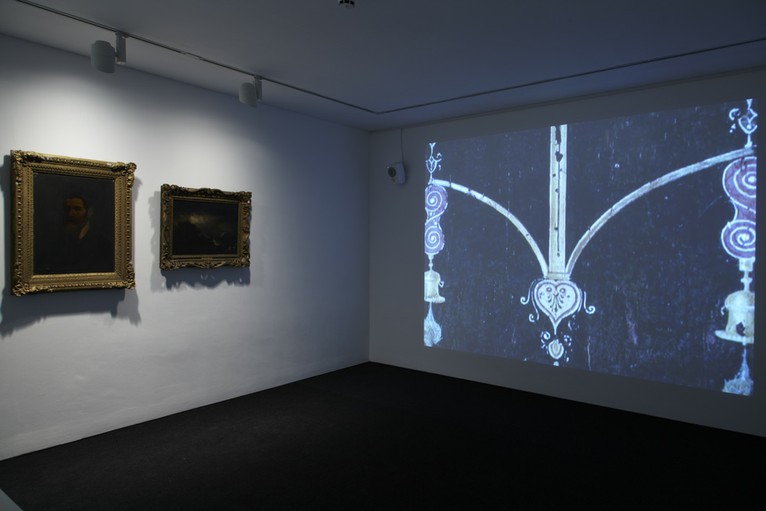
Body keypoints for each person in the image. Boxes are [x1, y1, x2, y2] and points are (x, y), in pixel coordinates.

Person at [34, 194, 114, 274]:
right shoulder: (52, 241)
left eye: (77, 209)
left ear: (89, 212)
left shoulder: (102, 243)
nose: (70, 214)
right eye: (67, 209)